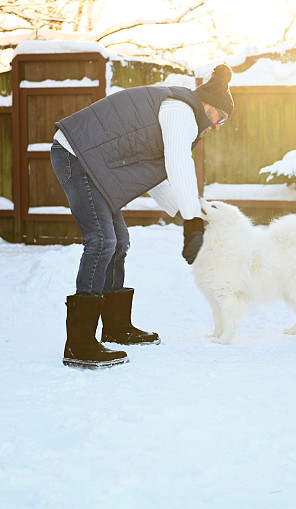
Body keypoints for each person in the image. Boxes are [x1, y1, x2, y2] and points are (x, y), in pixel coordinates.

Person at [50, 64, 234, 369]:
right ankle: (79, 344)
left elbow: (159, 178)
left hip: (92, 161)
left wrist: (193, 214)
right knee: (102, 241)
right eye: (221, 118)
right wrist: (191, 222)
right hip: (76, 155)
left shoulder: (178, 111)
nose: (217, 126)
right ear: (208, 105)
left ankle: (116, 327)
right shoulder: (181, 110)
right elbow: (178, 163)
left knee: (119, 240)